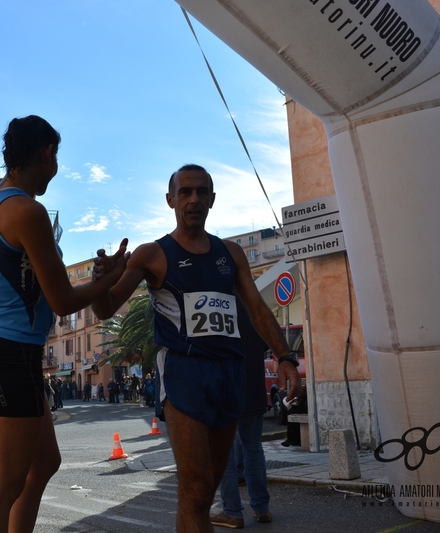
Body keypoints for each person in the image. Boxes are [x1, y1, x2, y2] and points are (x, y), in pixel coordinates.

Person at [92, 164, 300, 532]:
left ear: (212, 200)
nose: (194, 199)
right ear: (170, 199)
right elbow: (106, 308)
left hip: (229, 374)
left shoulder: (231, 254)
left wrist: (284, 356)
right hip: (184, 373)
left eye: (202, 192)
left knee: (203, 494)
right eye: (185, 192)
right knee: (197, 486)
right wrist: (102, 279)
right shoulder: (151, 254)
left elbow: (257, 309)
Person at [0, 115, 128, 533]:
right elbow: (63, 300)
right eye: (57, 158)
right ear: (47, 153)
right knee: (2, 486)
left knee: (45, 463)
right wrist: (106, 279)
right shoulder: (28, 211)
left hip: (3, 347)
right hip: (9, 350)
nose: (56, 169)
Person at [211, 297, 273, 529]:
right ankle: (261, 508)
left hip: (224, 391)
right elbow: (264, 345)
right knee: (253, 449)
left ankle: (232, 512)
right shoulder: (252, 308)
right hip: (253, 390)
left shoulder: (213, 307)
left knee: (225, 454)